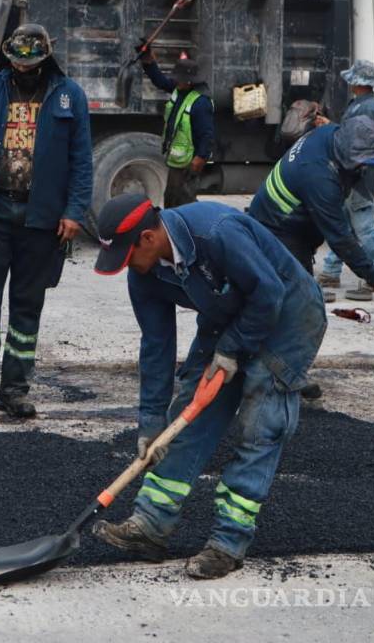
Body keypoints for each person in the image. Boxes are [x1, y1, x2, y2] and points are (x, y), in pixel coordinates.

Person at [90, 193, 327, 579]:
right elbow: (155, 345)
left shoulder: (216, 232)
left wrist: (232, 350)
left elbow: (269, 292)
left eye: (126, 255)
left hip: (289, 318)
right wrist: (151, 423)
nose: (126, 267)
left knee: (260, 424)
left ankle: (227, 544)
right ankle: (150, 526)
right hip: (229, 317)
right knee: (186, 414)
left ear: (148, 238)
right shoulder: (145, 274)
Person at [0, 23, 92, 419]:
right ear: (8, 57)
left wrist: (75, 211)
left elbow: (81, 161)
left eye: (31, 63)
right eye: (17, 62)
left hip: (41, 219)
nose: (23, 69)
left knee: (28, 307)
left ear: (46, 56)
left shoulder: (69, 96)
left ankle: (14, 391)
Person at [247, 116, 374, 302]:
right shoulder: (319, 178)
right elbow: (339, 237)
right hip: (277, 229)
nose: (363, 166)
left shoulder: (330, 134)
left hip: (287, 222)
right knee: (300, 301)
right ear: (345, 151)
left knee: (301, 298)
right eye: (360, 160)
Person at [315, 60, 374, 301]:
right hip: (358, 171)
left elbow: (356, 146)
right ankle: (330, 270)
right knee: (346, 223)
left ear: (358, 83)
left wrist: (331, 129)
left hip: (360, 174)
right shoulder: (363, 105)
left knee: (362, 225)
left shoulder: (366, 108)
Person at [139, 45, 215, 208]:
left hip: (189, 161)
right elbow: (160, 81)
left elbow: (207, 134)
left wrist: (200, 157)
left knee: (184, 201)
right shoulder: (179, 90)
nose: (175, 81)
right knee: (172, 198)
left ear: (190, 81)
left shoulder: (201, 103)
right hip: (178, 160)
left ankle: (186, 231)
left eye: (179, 78)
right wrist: (149, 62)